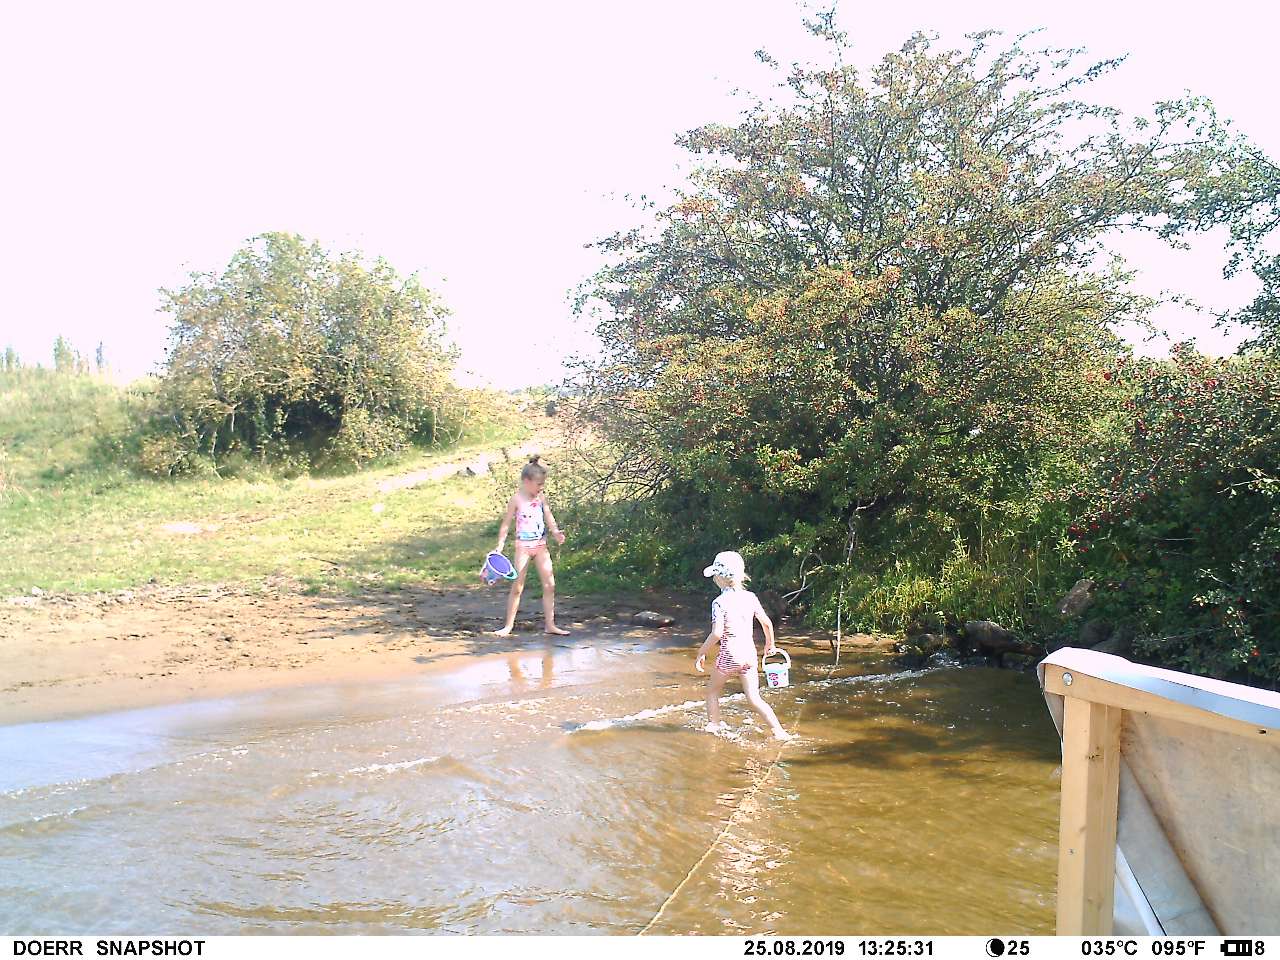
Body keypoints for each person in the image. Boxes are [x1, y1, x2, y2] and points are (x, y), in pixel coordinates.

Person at [694, 550, 792, 741]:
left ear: (719, 578)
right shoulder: (751, 597)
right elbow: (766, 623)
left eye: (715, 575)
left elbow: (717, 633)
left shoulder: (719, 602)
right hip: (749, 655)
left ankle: (714, 725)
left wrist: (701, 652)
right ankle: (779, 731)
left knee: (712, 692)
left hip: (729, 655)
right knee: (754, 698)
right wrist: (770, 645)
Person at [487, 455, 569, 636]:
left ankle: (550, 625)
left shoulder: (541, 498)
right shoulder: (516, 499)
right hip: (523, 547)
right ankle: (508, 626)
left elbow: (548, 516)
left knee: (550, 585)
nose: (541, 487)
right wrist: (500, 545)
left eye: (543, 484)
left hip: (541, 546)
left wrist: (555, 532)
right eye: (539, 484)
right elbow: (506, 524)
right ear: (526, 481)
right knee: (517, 586)